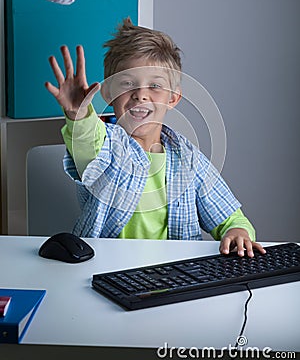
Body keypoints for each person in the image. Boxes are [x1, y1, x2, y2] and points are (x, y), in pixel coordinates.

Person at [45, 18, 265, 257]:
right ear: (108, 94)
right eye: (127, 84)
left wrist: (238, 231)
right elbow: (88, 141)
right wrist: (80, 115)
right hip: (106, 269)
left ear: (173, 98)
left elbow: (229, 216)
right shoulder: (106, 147)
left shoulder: (188, 159)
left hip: (175, 273)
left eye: (155, 86)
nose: (141, 95)